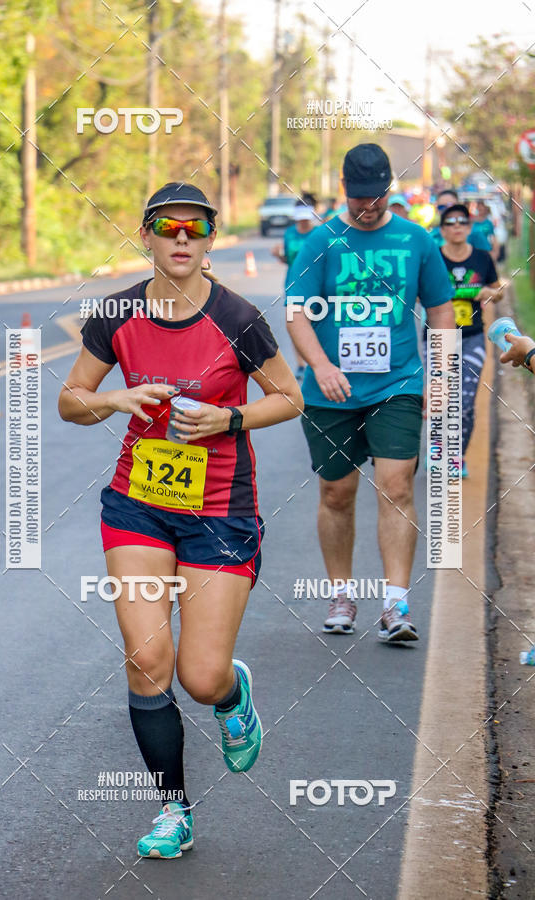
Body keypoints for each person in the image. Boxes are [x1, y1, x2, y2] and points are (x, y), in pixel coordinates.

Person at [58, 182, 303, 859]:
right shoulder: (117, 315)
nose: (182, 239)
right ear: (148, 236)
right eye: (169, 227)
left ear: (211, 239)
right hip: (137, 505)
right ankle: (174, 810)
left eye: (196, 228)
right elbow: (69, 401)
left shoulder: (240, 318)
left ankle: (231, 696)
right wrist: (116, 398)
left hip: (220, 513)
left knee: (199, 675)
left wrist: (231, 417)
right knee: (146, 658)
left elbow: (290, 397)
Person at [286, 143, 455, 641]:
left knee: (398, 486)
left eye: (377, 197)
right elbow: (297, 311)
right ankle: (341, 595)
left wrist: (438, 376)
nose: (369, 206)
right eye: (360, 198)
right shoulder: (320, 243)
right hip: (329, 391)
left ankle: (395, 606)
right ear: (345, 190)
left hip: (397, 383)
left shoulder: (416, 241)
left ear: (390, 189)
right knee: (336, 492)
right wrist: (320, 365)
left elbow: (441, 308)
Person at [425, 203, 503, 478]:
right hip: (437, 339)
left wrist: (487, 293)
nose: (456, 226)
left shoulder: (482, 258)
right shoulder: (433, 258)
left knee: (466, 402)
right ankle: (437, 450)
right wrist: (462, 292)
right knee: (439, 399)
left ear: (469, 228)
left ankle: (457, 455)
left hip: (472, 338)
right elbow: (421, 295)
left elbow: (497, 291)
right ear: (442, 230)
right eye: (450, 222)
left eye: (462, 222)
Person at [272, 201, 317, 380]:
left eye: (306, 219)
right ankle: (301, 365)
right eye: (300, 219)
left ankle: (316, 362)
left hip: (315, 284)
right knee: (295, 322)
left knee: (315, 324)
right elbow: (288, 259)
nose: (303, 222)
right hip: (293, 283)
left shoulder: (318, 234)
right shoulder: (290, 233)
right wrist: (278, 255)